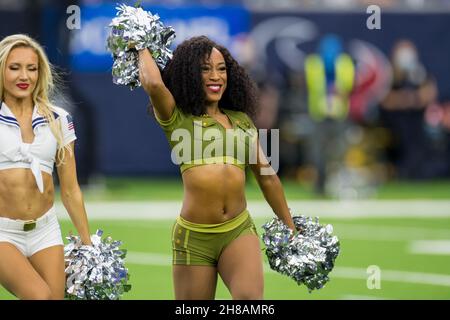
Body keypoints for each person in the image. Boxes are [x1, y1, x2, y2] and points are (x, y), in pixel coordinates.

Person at [138, 35, 296, 300]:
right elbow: (154, 83)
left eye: (222, 69)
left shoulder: (241, 120)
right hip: (194, 237)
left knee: (250, 301)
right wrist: (139, 43)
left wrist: (290, 228)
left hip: (238, 229)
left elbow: (267, 178)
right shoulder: (177, 116)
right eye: (205, 69)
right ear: (189, 74)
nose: (216, 76)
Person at [0, 34, 92, 300]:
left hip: (45, 230)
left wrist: (87, 245)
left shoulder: (57, 118)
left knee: (54, 297)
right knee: (38, 295)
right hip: (3, 232)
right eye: (14, 67)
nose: (24, 76)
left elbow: (71, 189)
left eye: (31, 68)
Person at [380, 39, 438, 178]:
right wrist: (404, 99)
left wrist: (411, 98)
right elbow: (384, 99)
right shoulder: (389, 74)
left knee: (418, 145)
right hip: (394, 124)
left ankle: (418, 174)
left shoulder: (419, 73)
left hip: (415, 123)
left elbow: (429, 93)